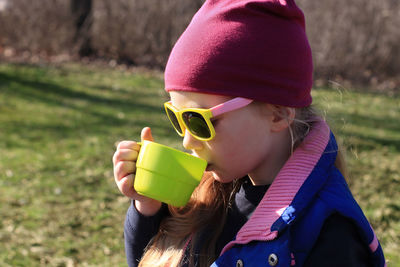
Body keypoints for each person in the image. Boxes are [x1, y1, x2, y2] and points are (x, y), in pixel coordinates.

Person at [112, 0, 386, 266]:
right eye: (177, 118)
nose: (187, 140)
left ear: (277, 112)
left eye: (199, 121)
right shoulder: (211, 195)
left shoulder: (330, 234)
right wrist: (147, 210)